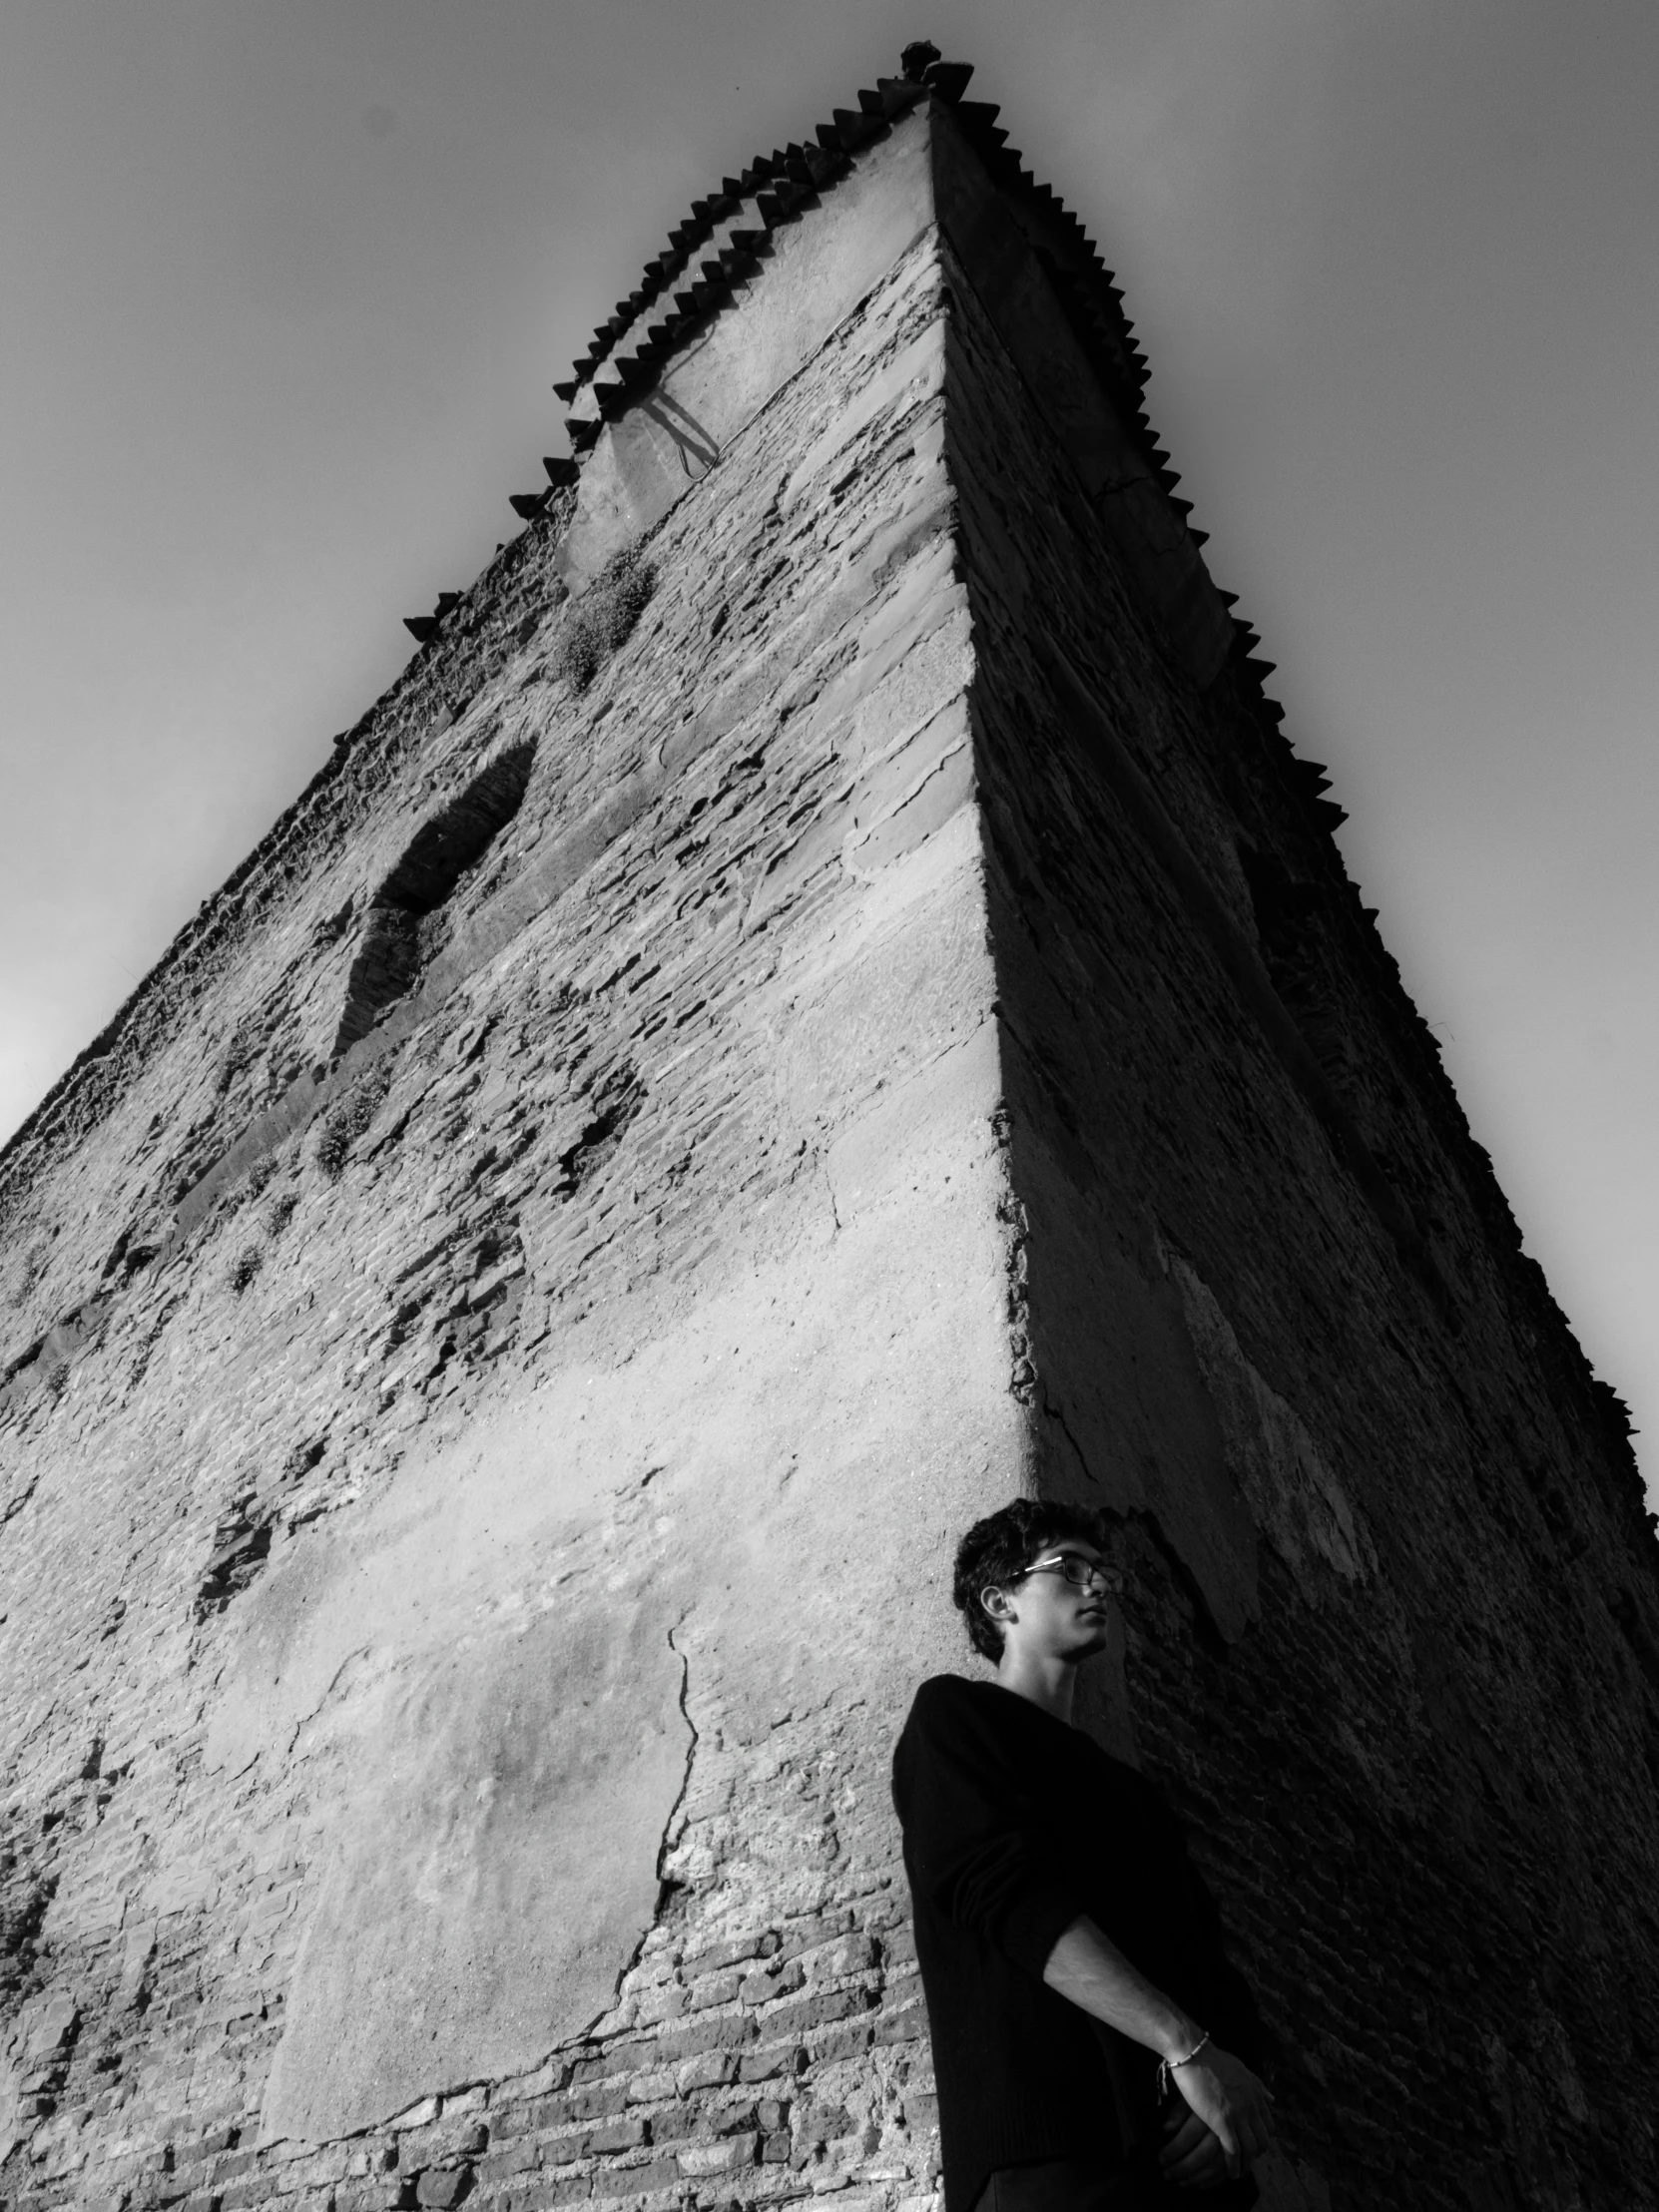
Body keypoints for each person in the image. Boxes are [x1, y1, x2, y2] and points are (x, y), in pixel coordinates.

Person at [891, 1499, 1277, 2211]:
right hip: (1053, 2164)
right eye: (1070, 1567)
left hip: (1189, 2171)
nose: (1098, 1584)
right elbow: (1009, 1901)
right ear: (999, 1599)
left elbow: (1209, 1964)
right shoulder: (955, 1719)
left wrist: (1227, 2086)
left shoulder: (1135, 1796)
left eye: (1104, 1571)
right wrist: (1185, 2049)